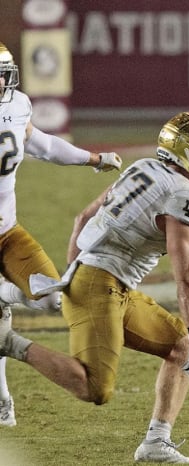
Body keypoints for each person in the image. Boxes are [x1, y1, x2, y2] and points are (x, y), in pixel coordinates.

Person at [0, 111, 189, 463]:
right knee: (96, 388)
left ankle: (156, 442)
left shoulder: (143, 167)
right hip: (101, 284)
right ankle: (8, 343)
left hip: (107, 283)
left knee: (179, 347)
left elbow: (83, 218)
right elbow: (187, 278)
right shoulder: (186, 196)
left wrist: (75, 270)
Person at [0, 41, 122, 427]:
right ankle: (3, 401)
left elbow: (42, 145)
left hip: (6, 232)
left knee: (52, 297)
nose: (4, 82)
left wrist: (92, 158)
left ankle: (3, 295)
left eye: (4, 74)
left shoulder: (17, 105)